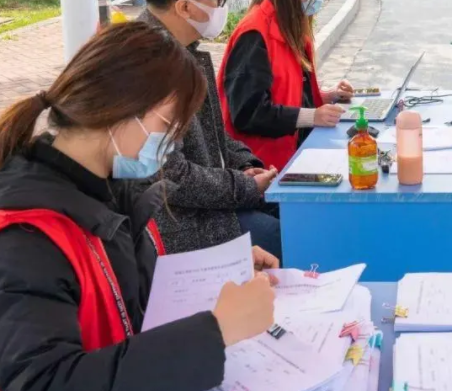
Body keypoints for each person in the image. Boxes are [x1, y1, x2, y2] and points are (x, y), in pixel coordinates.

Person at [0, 22, 279, 391]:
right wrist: (214, 332)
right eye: (169, 125)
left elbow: (132, 300)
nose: (173, 142)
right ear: (119, 108)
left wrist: (219, 272)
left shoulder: (111, 189)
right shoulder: (26, 239)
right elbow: (43, 380)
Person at [138, 0, 281, 259]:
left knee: (293, 211)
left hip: (210, 201)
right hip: (178, 224)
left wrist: (246, 166)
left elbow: (215, 135)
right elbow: (168, 174)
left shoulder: (185, 53)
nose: (221, 7)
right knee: (286, 234)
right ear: (185, 7)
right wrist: (243, 186)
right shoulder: (150, 64)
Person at [217, 0, 353, 171]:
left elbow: (287, 93)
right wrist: (313, 116)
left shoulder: (289, 27)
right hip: (263, 166)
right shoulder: (255, 34)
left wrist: (327, 97)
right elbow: (249, 113)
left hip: (295, 152)